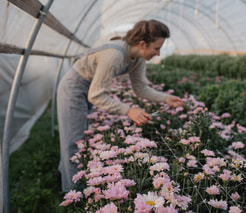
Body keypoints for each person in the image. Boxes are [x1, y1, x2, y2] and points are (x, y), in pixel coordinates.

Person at [57, 19, 184, 192]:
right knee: (74, 141)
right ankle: (72, 194)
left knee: (79, 135)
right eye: (156, 48)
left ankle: (63, 175)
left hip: (89, 86)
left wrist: (165, 98)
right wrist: (128, 110)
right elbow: (97, 95)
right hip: (74, 87)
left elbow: (140, 88)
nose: (158, 53)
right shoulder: (114, 55)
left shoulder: (137, 58)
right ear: (142, 44)